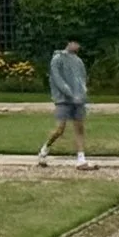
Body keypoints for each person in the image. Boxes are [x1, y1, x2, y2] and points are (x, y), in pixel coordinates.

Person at [37, 38, 91, 169]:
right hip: (63, 100)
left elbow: (82, 78)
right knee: (60, 129)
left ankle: (81, 159)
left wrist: (83, 94)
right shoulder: (57, 59)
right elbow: (57, 79)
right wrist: (70, 93)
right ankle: (45, 148)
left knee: (79, 128)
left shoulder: (78, 61)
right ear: (69, 43)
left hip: (78, 100)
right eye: (75, 43)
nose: (77, 46)